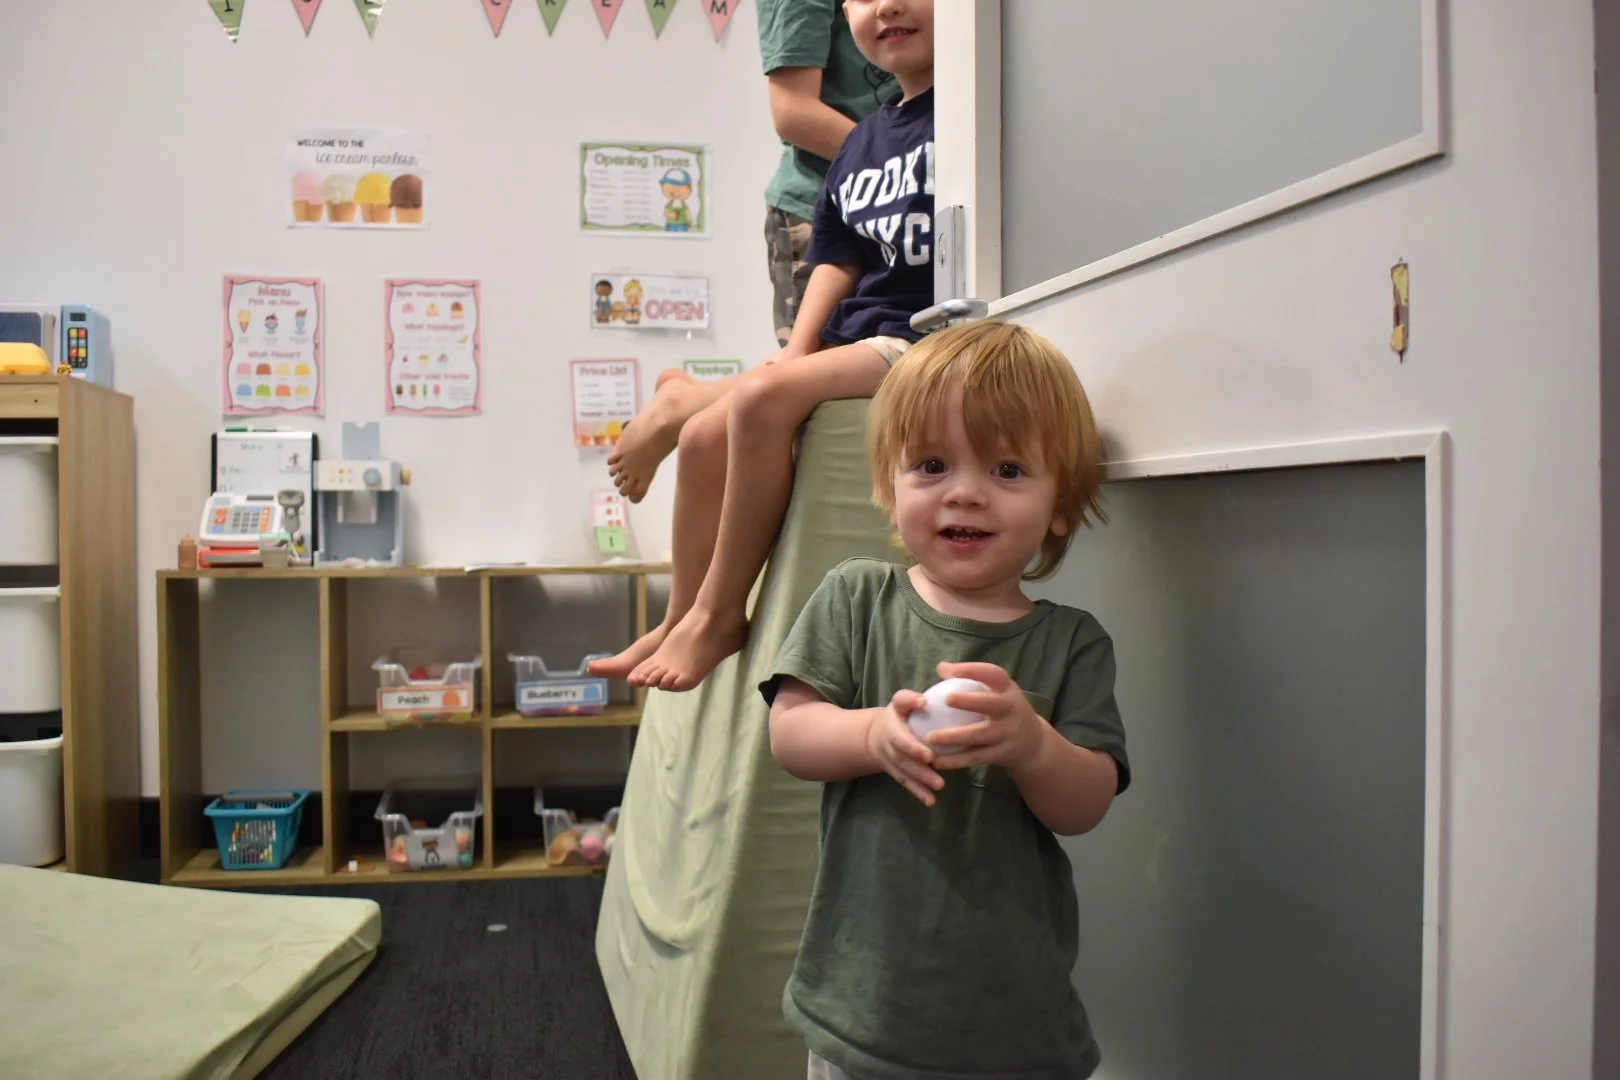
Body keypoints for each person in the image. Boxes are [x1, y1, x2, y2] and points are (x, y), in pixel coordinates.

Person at [761, 319, 1132, 1080]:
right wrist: (872, 736)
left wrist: (1033, 745)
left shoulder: (1073, 644)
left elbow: (1085, 805)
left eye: (1006, 469)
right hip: (862, 1004)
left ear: (1060, 505)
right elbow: (790, 733)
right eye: (931, 464)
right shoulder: (856, 599)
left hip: (1015, 1022)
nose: (964, 491)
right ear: (890, 492)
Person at [592, 0, 936, 693]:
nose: (888, 6)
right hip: (857, 330)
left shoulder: (967, 117)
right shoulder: (865, 137)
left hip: (918, 335)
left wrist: (786, 373)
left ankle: (722, 612)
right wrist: (798, 348)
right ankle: (685, 610)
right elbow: (836, 256)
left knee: (756, 397)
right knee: (702, 435)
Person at [756, 0, 898, 347]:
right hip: (820, 205)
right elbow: (793, 111)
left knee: (883, 359)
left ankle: (687, 398)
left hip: (896, 204)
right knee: (815, 369)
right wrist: (904, 161)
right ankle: (686, 400)